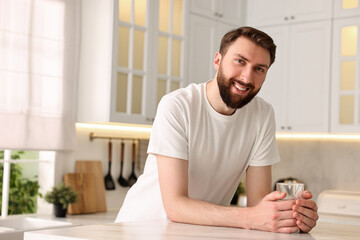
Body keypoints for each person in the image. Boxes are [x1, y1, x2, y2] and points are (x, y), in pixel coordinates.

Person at [115, 26, 318, 233]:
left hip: (198, 233)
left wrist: (294, 216)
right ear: (218, 60)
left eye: (259, 69)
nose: (247, 78)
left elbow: (258, 205)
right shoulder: (177, 105)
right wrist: (253, 217)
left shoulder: (263, 114)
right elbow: (176, 206)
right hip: (140, 229)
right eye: (240, 61)